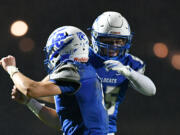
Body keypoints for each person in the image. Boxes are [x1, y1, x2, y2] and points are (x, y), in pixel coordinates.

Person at [10, 11, 156, 135]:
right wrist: (32, 99)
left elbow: (151, 91)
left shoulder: (130, 64)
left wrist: (129, 72)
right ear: (95, 38)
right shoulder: (81, 58)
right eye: (108, 40)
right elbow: (48, 91)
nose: (114, 46)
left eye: (120, 41)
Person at [0, 26, 108, 135]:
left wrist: (11, 68)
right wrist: (29, 102)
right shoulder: (85, 72)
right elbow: (62, 123)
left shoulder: (73, 70)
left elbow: (30, 89)